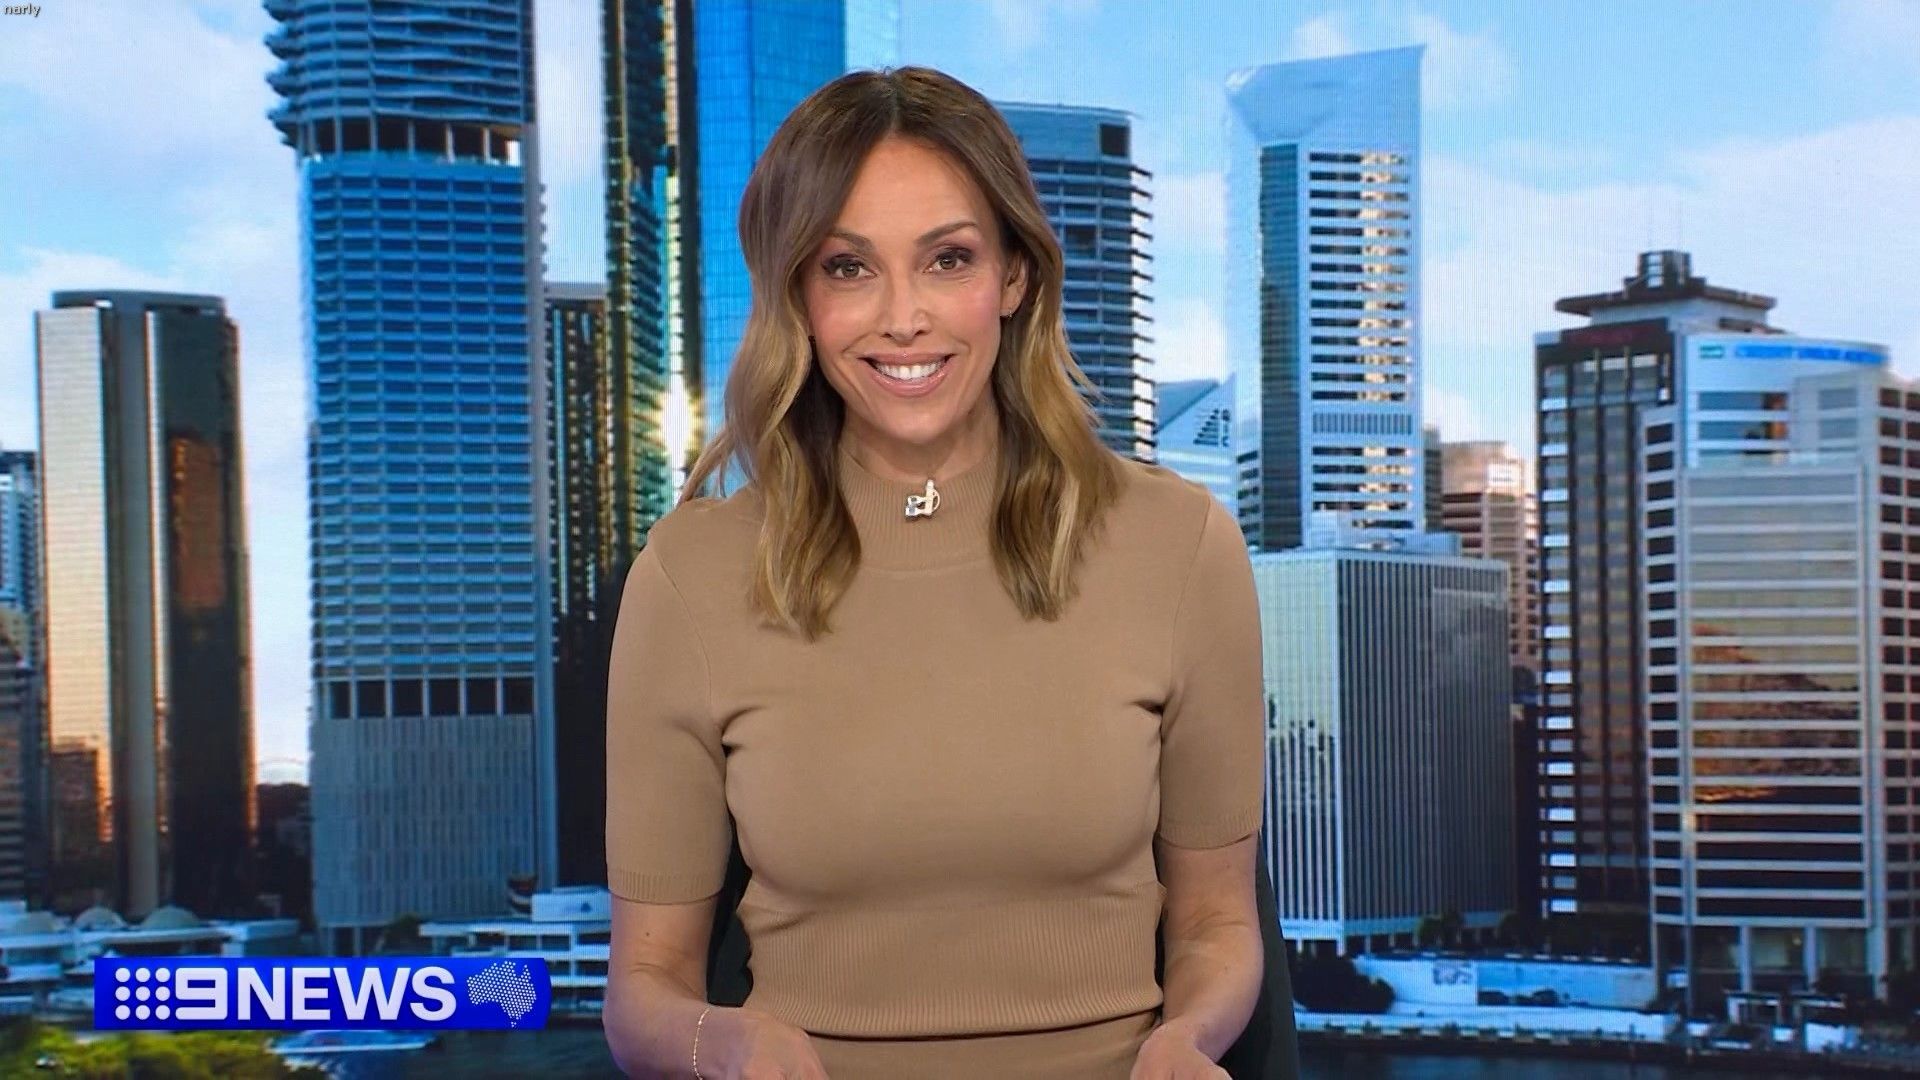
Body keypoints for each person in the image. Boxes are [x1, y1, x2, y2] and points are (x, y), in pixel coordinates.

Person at [601, 65, 1267, 1079]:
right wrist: (731, 1043)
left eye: (948, 259)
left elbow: (1218, 921)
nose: (904, 317)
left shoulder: (1181, 546)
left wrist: (1188, 1039)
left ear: (1015, 277)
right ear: (798, 298)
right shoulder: (688, 577)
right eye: (848, 268)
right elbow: (645, 989)